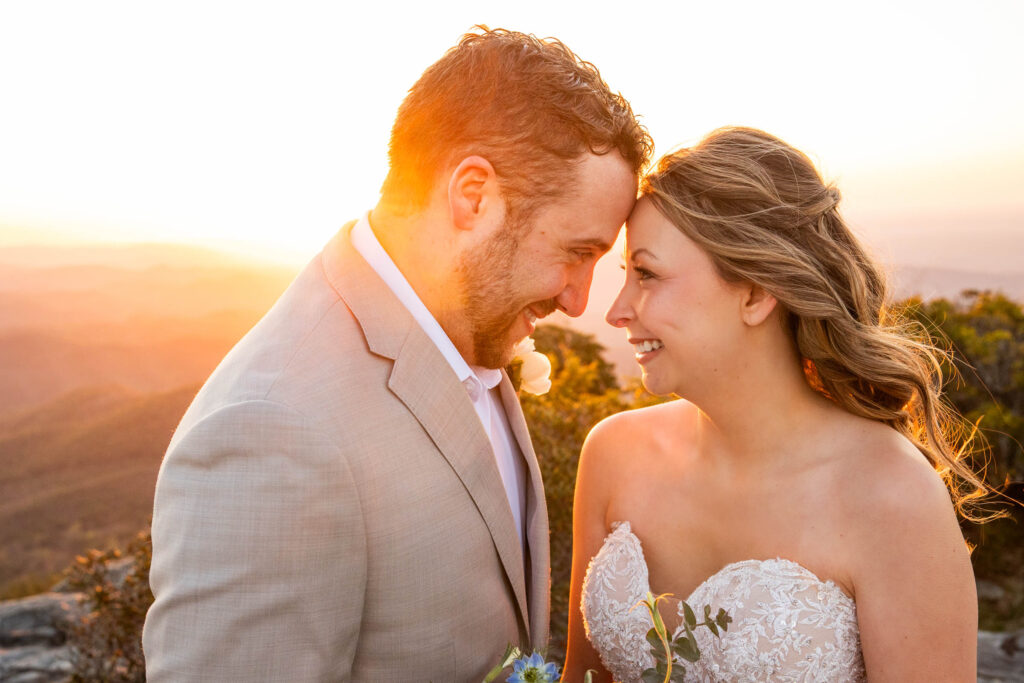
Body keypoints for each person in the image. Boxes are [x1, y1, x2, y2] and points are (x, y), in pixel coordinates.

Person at [142, 27, 651, 682]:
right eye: (576, 252)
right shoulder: (273, 430)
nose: (581, 300)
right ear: (474, 196)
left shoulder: (470, 331)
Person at [563, 127, 986, 682]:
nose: (616, 310)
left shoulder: (893, 498)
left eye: (647, 274)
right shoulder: (612, 454)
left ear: (757, 293)